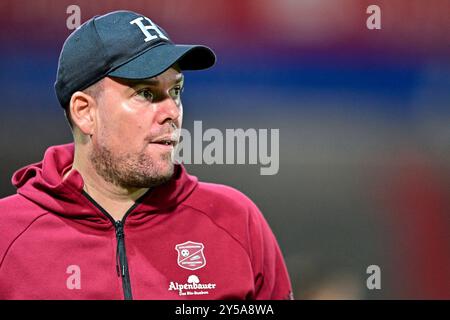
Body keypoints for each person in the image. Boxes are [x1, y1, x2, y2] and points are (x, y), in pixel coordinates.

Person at [0, 10, 293, 300]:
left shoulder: (235, 220)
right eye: (146, 93)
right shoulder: (7, 234)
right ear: (85, 112)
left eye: (176, 91)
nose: (172, 113)